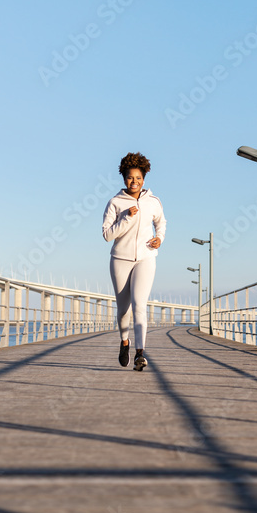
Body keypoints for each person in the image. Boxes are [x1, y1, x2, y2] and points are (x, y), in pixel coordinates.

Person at [101, 152, 166, 371]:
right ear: (123, 178)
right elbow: (107, 235)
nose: (134, 182)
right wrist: (126, 217)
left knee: (140, 305)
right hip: (120, 259)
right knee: (123, 310)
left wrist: (160, 239)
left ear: (144, 179)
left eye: (138, 178)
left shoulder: (154, 202)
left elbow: (161, 222)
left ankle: (140, 353)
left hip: (146, 258)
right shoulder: (115, 203)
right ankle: (125, 342)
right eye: (130, 178)